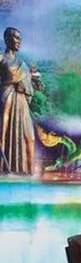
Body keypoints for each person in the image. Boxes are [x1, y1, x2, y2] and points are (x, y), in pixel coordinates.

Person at [1, 27, 38, 174]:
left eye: (20, 39)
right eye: (16, 38)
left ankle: (28, 171)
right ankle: (2, 169)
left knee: (30, 137)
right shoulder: (1, 58)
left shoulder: (22, 63)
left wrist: (25, 87)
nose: (18, 41)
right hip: (7, 97)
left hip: (21, 100)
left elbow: (28, 84)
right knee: (3, 133)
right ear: (7, 39)